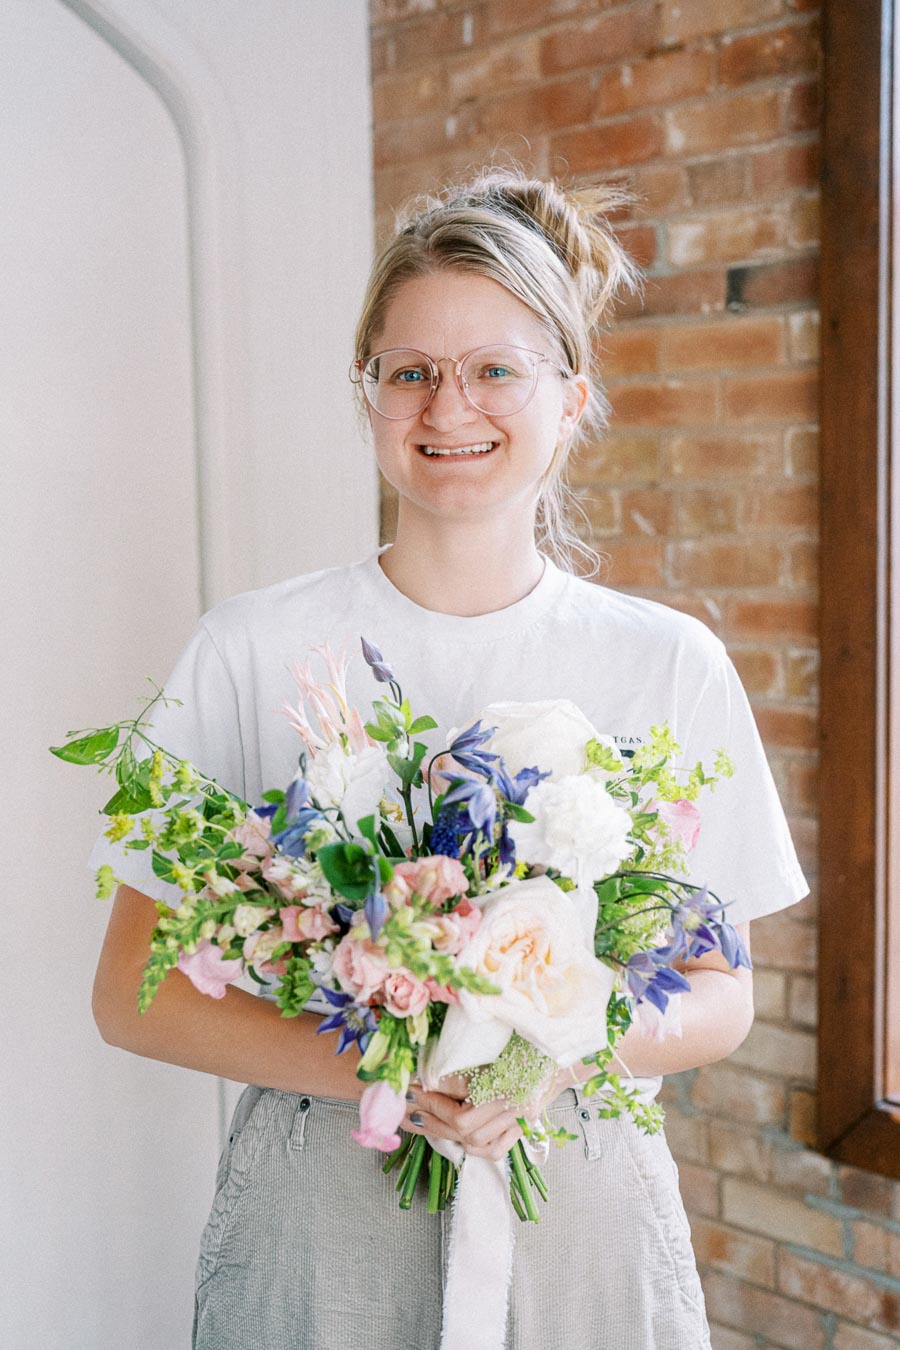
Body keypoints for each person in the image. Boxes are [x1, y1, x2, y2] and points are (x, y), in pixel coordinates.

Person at [91, 169, 808, 1350]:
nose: (448, 406)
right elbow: (132, 991)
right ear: (367, 394)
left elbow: (720, 994)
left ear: (572, 398)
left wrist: (534, 1064)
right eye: (410, 371)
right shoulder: (250, 650)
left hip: (578, 1200)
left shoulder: (668, 665)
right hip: (325, 1208)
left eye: (494, 370)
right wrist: (385, 1068)